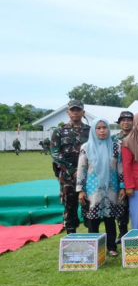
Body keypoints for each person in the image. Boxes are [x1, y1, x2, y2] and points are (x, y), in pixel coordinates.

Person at [76, 118, 125, 257]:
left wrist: (122, 186)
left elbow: (120, 168)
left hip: (111, 188)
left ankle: (111, 247)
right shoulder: (86, 147)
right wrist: (80, 190)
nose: (102, 130)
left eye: (104, 127)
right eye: (98, 128)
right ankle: (94, 248)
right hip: (93, 190)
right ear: (93, 130)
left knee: (110, 219)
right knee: (93, 219)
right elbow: (82, 168)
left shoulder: (116, 146)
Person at [51, 100, 91, 234]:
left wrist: (83, 171)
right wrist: (73, 170)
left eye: (78, 110)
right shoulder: (59, 131)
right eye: (72, 110)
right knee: (69, 208)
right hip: (68, 177)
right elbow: (55, 153)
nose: (75, 112)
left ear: (83, 112)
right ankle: (71, 239)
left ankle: (92, 238)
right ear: (68, 112)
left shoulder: (91, 131)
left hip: (87, 176)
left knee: (89, 207)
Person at [113, 111, 134, 243]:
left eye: (129, 120)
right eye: (123, 120)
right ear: (120, 122)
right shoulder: (114, 139)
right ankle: (122, 233)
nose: (126, 122)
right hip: (118, 176)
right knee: (121, 205)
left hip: (135, 175)